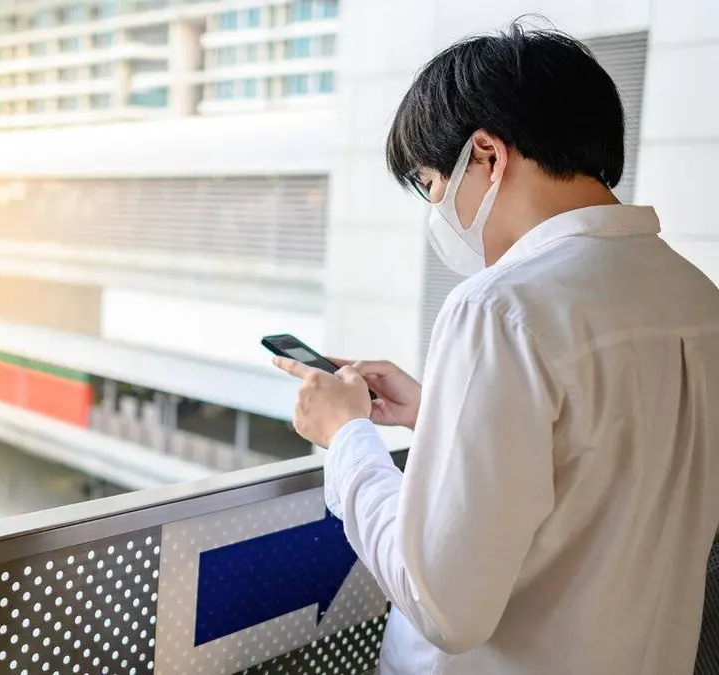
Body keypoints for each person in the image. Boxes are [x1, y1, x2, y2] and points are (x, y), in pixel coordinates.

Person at [274, 21, 719, 675]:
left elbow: (444, 602)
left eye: (431, 185)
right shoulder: (696, 297)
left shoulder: (500, 307)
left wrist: (346, 437)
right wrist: (441, 411)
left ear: (485, 155)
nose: (439, 210)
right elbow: (605, 458)